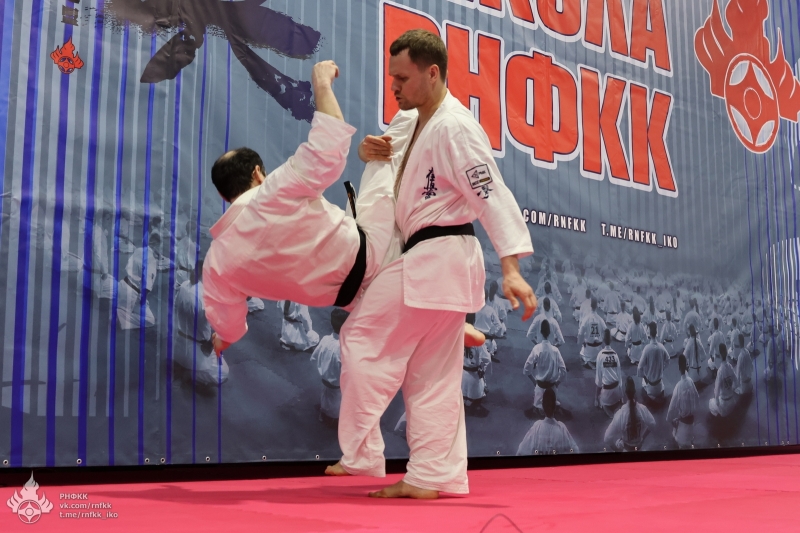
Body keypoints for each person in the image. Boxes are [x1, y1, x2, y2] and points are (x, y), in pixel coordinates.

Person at [329, 30, 536, 498]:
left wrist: (511, 268)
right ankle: (432, 475)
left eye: (402, 78)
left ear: (433, 73)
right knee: (432, 375)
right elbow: (386, 148)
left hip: (436, 255)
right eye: (392, 78)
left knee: (361, 338)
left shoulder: (454, 127)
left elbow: (490, 193)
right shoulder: (416, 120)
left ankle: (362, 452)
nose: (394, 87)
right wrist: (365, 152)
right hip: (442, 263)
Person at [203, 60, 486, 354]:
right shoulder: (273, 192)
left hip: (358, 300)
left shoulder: (217, 265)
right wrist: (321, 83)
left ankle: (450, 324)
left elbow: (228, 323)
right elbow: (329, 145)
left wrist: (224, 338)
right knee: (401, 130)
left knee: (404, 294)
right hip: (373, 250)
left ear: (225, 196)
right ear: (257, 173)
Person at [310, 309, 349, 425]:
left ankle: (325, 412)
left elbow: (313, 357)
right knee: (336, 401)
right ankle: (332, 419)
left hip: (324, 379)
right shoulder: (345, 348)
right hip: (337, 384)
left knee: (326, 397)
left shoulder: (325, 339)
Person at [523, 320, 566, 417]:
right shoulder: (555, 350)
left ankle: (539, 406)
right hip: (552, 388)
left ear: (541, 332)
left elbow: (526, 368)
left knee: (539, 406)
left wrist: (534, 382)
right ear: (549, 332)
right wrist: (557, 383)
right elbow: (563, 370)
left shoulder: (537, 348)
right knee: (551, 407)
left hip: (540, 387)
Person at [516, 389, 578, 455]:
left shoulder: (537, 427)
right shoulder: (562, 428)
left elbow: (521, 452)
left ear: (543, 407)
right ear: (555, 407)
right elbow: (575, 451)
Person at [604, 377, 656, 452]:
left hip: (626, 449)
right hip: (639, 448)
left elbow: (606, 438)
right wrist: (643, 438)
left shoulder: (620, 414)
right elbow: (653, 424)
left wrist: (617, 450)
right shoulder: (642, 409)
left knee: (618, 442)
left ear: (625, 393)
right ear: (635, 391)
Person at [666, 354, 699, 448]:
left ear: (679, 367)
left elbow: (671, 408)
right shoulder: (691, 381)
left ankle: (682, 439)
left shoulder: (678, 386)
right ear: (687, 366)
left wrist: (669, 419)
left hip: (683, 429)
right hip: (692, 422)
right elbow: (697, 397)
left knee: (675, 434)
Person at [462, 314, 492, 413]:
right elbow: (486, 359)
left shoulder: (457, 334)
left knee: (463, 395)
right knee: (480, 394)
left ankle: (465, 401)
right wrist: (482, 369)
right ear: (474, 320)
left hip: (460, 374)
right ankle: (470, 403)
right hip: (473, 377)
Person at [637, 322, 670, 402]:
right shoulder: (661, 347)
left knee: (643, 381)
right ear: (656, 332)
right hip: (660, 385)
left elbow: (639, 367)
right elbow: (668, 359)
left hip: (650, 386)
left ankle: (652, 397)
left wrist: (644, 376)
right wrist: (662, 368)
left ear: (649, 334)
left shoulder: (647, 349)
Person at [595, 329, 623, 418]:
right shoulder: (615, 355)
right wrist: (621, 395)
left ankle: (606, 408)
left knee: (600, 400)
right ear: (611, 340)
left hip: (607, 393)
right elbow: (619, 377)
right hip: (617, 392)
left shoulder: (600, 355)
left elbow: (599, 381)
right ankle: (618, 405)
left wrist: (596, 398)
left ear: (603, 340)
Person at [578, 297, 606, 368]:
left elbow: (580, 333)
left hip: (589, 348)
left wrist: (581, 342)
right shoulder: (600, 319)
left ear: (590, 305)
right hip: (598, 349)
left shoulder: (586, 319)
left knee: (581, 353)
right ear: (597, 306)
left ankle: (588, 361)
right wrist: (603, 343)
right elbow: (606, 331)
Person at [709, 344, 737, 417]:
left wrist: (717, 402)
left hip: (724, 405)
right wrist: (731, 389)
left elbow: (717, 391)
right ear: (727, 353)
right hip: (732, 402)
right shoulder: (730, 367)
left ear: (720, 355)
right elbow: (736, 382)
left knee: (710, 403)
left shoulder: (720, 371)